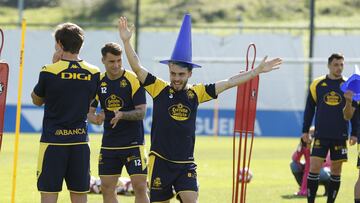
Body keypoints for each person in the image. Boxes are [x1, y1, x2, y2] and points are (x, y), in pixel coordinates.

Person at [118, 14, 282, 203]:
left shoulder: (196, 93)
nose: (176, 78)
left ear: (190, 73)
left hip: (185, 163)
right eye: (173, 73)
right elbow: (137, 68)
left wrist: (256, 71)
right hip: (160, 160)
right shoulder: (159, 88)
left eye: (181, 74)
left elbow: (229, 82)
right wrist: (126, 42)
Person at [31, 23, 100, 203]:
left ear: (60, 44)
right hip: (80, 143)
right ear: (80, 45)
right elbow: (90, 101)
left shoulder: (49, 70)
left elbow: (37, 100)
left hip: (53, 142)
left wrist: (55, 65)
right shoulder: (94, 72)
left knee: (48, 196)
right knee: (79, 196)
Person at [87, 42, 149, 203]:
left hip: (134, 143)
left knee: (140, 187)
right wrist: (96, 119)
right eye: (111, 61)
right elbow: (89, 113)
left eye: (119, 61)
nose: (116, 65)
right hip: (110, 144)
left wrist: (122, 115)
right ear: (103, 61)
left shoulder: (133, 79)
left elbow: (142, 112)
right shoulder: (98, 82)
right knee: (107, 188)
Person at [301, 53, 358, 203]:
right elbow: (309, 109)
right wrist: (305, 130)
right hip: (321, 134)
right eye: (336, 65)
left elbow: (355, 112)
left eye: (341, 65)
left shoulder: (349, 85)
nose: (339, 68)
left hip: (340, 135)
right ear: (329, 65)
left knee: (336, 171)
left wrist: (355, 133)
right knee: (314, 167)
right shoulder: (317, 84)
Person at [291, 127, 330, 196]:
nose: (311, 138)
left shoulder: (322, 144)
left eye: (313, 136)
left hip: (323, 170)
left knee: (317, 172)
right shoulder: (305, 144)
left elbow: (325, 161)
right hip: (308, 169)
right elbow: (295, 158)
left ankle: (328, 190)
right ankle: (303, 188)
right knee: (294, 165)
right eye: (309, 135)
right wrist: (301, 145)